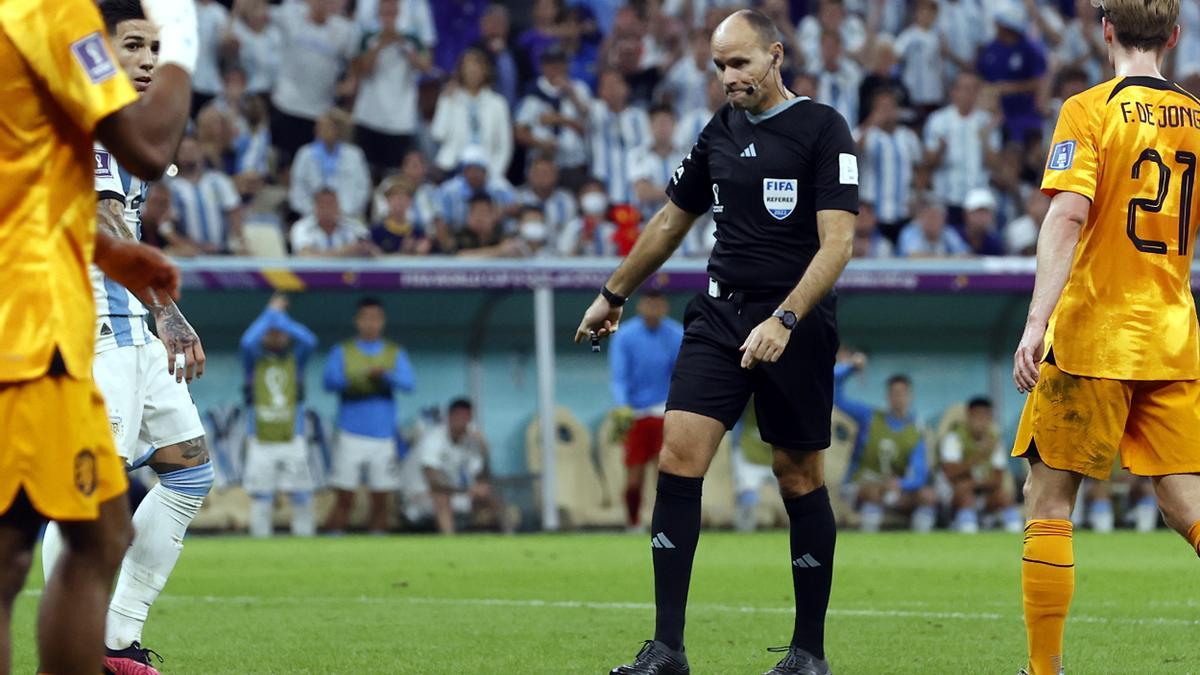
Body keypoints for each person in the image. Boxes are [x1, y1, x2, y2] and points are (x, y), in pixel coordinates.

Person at [577, 10, 858, 675]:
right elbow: (672, 219)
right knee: (678, 452)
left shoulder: (824, 129)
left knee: (797, 473)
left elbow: (839, 243)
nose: (727, 77)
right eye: (718, 66)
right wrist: (612, 292)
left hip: (797, 323)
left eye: (739, 64)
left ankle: (808, 653)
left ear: (775, 56)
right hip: (721, 314)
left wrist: (784, 320)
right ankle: (667, 648)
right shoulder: (719, 132)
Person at [0, 0, 192, 671]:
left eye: (153, 48)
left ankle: (113, 643)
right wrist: (183, 48)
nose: (145, 60)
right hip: (54, 322)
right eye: (134, 47)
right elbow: (138, 159)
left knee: (120, 507)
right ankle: (107, 650)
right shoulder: (58, 27)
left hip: (65, 312)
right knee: (87, 523)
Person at [1009, 2, 1200, 673]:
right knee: (1185, 502)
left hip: (1094, 331)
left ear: (1105, 30)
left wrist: (1036, 322)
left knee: (1051, 502)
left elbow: (1066, 217)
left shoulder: (1089, 109)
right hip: (1173, 336)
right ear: (1174, 37)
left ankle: (1044, 669)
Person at [323, 298, 416, 534]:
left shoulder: (394, 352)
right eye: (366, 318)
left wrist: (385, 376)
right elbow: (329, 382)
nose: (370, 323)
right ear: (357, 321)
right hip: (350, 433)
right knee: (345, 497)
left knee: (381, 499)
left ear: (382, 321)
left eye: (375, 318)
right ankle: (334, 542)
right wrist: (362, 376)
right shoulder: (343, 350)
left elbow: (408, 383)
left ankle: (378, 544)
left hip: (383, 435)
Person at [239, 294, 319, 538]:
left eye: (280, 332)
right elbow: (246, 342)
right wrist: (269, 313)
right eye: (270, 332)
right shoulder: (253, 361)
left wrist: (279, 318)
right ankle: (260, 541)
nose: (275, 335)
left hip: (293, 438)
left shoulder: (297, 359)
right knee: (262, 496)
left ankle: (305, 541)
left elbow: (309, 340)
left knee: (301, 494)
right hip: (260, 438)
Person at [609, 291, 684, 532]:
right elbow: (619, 377)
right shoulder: (625, 335)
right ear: (640, 306)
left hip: (665, 413)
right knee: (634, 477)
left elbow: (680, 375)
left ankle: (666, 524)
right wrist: (622, 407)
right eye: (648, 303)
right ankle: (633, 522)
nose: (653, 308)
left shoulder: (676, 334)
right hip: (636, 414)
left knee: (667, 474)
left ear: (664, 306)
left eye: (658, 303)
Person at [834, 357, 936, 533]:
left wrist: (901, 484)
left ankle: (920, 546)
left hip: (894, 490)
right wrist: (850, 368)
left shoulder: (916, 433)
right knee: (873, 493)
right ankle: (867, 539)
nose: (898, 398)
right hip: (861, 486)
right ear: (887, 396)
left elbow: (920, 474)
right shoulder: (869, 417)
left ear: (910, 397)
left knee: (928, 496)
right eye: (894, 393)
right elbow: (834, 395)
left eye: (902, 393)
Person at [352, 0, 433, 178]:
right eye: (385, 10)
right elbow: (363, 68)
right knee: (364, 173)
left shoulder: (412, 38)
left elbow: (426, 66)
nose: (388, 14)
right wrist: (381, 44)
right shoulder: (368, 36)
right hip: (369, 116)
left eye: (392, 10)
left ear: (398, 11)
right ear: (379, 11)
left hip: (400, 120)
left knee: (394, 176)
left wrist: (402, 44)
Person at [417, 398, 513, 534]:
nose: (463, 422)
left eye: (467, 417)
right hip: (419, 495)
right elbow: (434, 483)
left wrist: (484, 450)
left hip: (453, 492)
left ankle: (511, 538)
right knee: (441, 497)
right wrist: (467, 489)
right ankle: (450, 543)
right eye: (459, 416)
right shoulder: (433, 438)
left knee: (490, 495)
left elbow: (482, 478)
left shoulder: (468, 441)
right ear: (450, 416)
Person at [924, 72, 1003, 224]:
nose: (970, 94)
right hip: (946, 196)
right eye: (965, 89)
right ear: (954, 92)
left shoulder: (986, 121)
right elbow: (928, 163)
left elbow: (995, 165)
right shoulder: (938, 120)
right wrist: (941, 149)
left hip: (977, 198)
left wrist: (985, 138)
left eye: (974, 89)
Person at [938, 397, 1022, 533]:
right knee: (965, 493)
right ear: (969, 417)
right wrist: (979, 457)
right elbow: (950, 473)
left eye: (985, 417)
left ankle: (1013, 529)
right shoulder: (954, 438)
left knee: (1003, 497)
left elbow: (997, 479)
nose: (981, 422)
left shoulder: (994, 441)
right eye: (978, 416)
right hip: (953, 491)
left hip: (981, 488)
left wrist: (973, 483)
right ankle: (961, 524)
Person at [430, 47, 512, 180]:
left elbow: (504, 145)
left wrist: (495, 174)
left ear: (486, 70)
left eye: (477, 65)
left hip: (487, 170)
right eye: (468, 66)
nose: (473, 70)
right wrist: (446, 102)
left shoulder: (498, 104)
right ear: (461, 70)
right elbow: (438, 134)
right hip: (452, 166)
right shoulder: (450, 98)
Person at [856, 88, 922, 243]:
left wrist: (918, 198)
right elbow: (850, 151)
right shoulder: (865, 133)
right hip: (872, 213)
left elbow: (919, 170)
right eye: (882, 107)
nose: (887, 112)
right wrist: (871, 121)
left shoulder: (908, 137)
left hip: (903, 211)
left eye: (890, 107)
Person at [166, 135, 245, 254]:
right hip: (190, 254)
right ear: (177, 155)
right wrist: (182, 244)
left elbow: (234, 213)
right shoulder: (173, 188)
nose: (189, 154)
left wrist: (238, 240)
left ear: (201, 152)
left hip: (222, 250)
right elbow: (166, 224)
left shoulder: (219, 181)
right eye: (184, 150)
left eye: (192, 149)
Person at [288, 109, 372, 219]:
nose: (319, 130)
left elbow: (363, 188)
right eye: (318, 126)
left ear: (338, 129)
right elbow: (297, 188)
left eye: (325, 126)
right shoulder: (305, 154)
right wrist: (314, 212)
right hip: (311, 216)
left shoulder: (354, 155)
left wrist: (345, 212)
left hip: (347, 216)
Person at [290, 189, 377, 257]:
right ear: (315, 207)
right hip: (310, 277)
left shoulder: (354, 226)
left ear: (338, 206)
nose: (327, 209)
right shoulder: (301, 227)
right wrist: (347, 251)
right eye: (323, 205)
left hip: (349, 276)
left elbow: (371, 251)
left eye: (331, 204)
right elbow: (306, 257)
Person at [897, 202, 970, 258]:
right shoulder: (910, 232)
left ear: (943, 219)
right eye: (928, 217)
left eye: (935, 217)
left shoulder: (948, 232)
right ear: (920, 218)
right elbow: (913, 257)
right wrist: (948, 258)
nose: (931, 221)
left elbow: (965, 255)